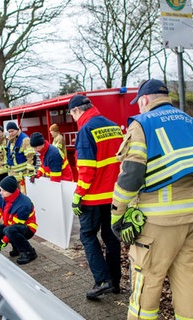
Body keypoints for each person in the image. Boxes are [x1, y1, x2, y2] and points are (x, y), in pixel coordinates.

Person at [110, 79, 193, 320]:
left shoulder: (142, 124)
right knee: (188, 277)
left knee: (147, 278)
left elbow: (131, 176)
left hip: (158, 223)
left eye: (140, 103)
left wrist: (117, 214)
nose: (139, 107)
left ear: (145, 99)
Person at [68, 94, 123, 300]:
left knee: (88, 236)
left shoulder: (85, 130)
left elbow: (86, 169)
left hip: (93, 197)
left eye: (72, 115)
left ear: (77, 111)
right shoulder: (113, 127)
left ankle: (102, 281)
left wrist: (78, 195)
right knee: (111, 238)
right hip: (115, 196)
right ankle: (115, 282)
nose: (74, 119)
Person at [5, 122, 35, 193]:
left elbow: (30, 157)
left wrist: (30, 173)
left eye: (12, 131)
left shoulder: (25, 139)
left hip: (23, 175)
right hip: (14, 175)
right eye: (9, 132)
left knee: (25, 195)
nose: (11, 133)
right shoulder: (10, 141)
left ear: (17, 129)